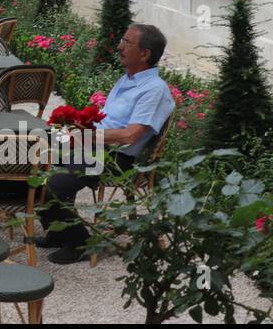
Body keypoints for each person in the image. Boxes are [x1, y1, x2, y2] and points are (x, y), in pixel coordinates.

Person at [37, 24, 175, 265]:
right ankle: (57, 230)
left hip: (117, 158)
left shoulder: (154, 90)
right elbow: (106, 120)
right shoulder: (127, 79)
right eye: (122, 40)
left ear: (145, 54)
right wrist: (76, 127)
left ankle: (78, 242)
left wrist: (83, 137)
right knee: (32, 154)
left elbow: (130, 135)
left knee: (57, 182)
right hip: (94, 145)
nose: (120, 46)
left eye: (127, 43)